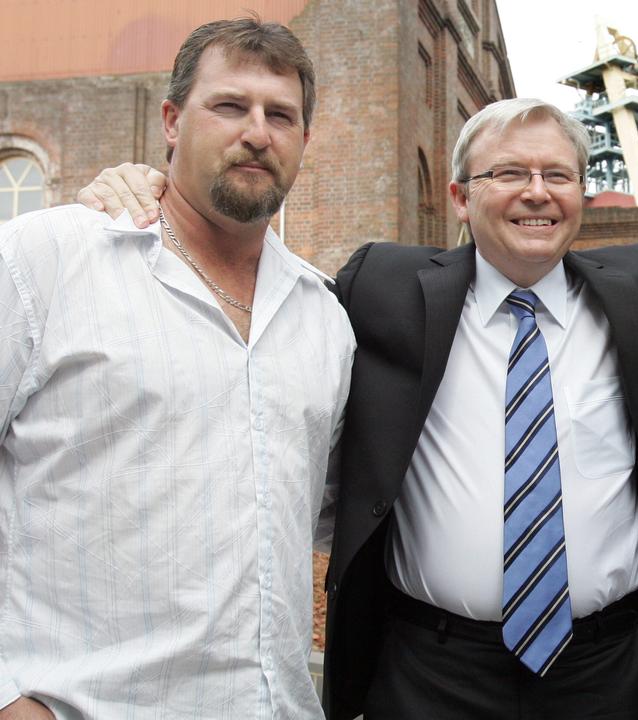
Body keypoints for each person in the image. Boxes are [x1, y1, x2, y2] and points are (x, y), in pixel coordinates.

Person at [79, 102, 638, 720]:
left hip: (604, 672)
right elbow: (252, 280)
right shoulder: (380, 288)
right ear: (458, 194)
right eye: (509, 173)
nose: (536, 193)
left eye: (558, 174)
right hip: (432, 673)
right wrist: (159, 189)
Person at [0, 18, 354, 720]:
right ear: (170, 120)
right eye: (229, 106)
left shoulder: (324, 317)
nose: (257, 131)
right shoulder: (46, 259)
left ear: (305, 142)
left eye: (280, 115)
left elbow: (326, 514)